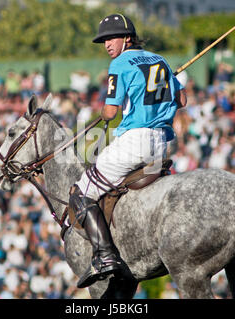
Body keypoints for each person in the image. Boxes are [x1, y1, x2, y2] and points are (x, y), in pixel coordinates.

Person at [68, 13, 187, 288]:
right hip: (161, 143)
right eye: (104, 40)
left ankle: (104, 256)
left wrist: (103, 111)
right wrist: (168, 80)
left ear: (127, 38)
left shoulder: (119, 63)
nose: (107, 44)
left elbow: (110, 112)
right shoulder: (161, 61)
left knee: (81, 191)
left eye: (112, 38)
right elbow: (182, 99)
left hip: (135, 140)